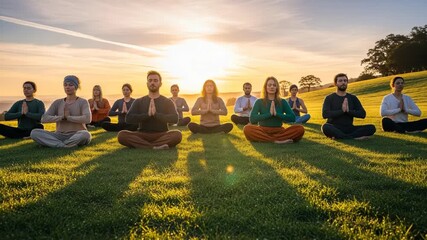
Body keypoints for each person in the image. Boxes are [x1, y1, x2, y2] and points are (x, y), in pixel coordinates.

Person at [117, 70, 182, 149]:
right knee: (122, 135)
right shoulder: (139, 101)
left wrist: (156, 115)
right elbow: (128, 118)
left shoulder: (167, 101)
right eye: (150, 80)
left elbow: (175, 119)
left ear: (160, 83)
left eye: (155, 80)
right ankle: (155, 147)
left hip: (161, 134)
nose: (152, 83)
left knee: (177, 135)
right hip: (142, 134)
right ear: (147, 83)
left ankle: (144, 145)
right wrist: (147, 115)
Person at [31, 75, 92, 147]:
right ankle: (64, 145)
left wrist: (69, 117)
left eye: (70, 85)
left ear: (76, 87)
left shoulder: (83, 102)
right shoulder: (57, 102)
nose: (67, 87)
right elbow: (44, 119)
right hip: (59, 135)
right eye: (65, 85)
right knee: (34, 133)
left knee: (86, 134)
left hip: (77, 134)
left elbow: (88, 119)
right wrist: (61, 118)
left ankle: (56, 144)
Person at [243, 76, 304, 143]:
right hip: (263, 130)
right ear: (265, 87)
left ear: (277, 88)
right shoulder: (259, 101)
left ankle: (270, 139)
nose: (272, 87)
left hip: (279, 131)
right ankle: (276, 140)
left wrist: (276, 114)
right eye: (269, 85)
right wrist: (269, 114)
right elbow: (252, 119)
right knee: (247, 129)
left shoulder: (282, 101)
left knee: (300, 129)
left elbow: (292, 118)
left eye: (274, 85)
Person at [321, 73, 376, 140]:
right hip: (334, 127)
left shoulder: (353, 98)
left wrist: (348, 111)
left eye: (345, 80)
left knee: (372, 127)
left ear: (347, 82)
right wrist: (342, 111)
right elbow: (325, 114)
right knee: (325, 127)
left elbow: (362, 114)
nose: (343, 83)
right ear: (336, 83)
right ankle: (353, 137)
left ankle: (343, 137)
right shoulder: (329, 98)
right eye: (340, 81)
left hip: (349, 128)